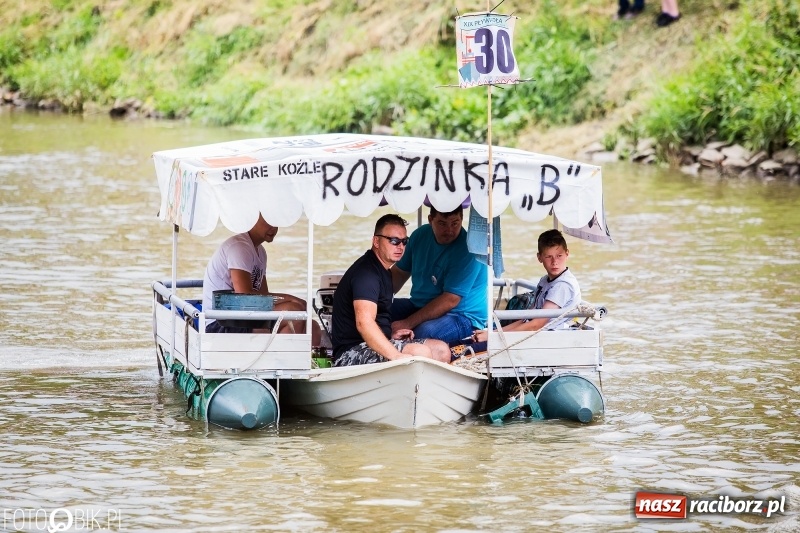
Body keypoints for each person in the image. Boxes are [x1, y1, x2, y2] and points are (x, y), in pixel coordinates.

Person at [330, 214, 451, 367]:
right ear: (376, 241)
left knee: (441, 351)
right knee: (420, 353)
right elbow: (364, 323)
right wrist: (395, 355)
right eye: (394, 241)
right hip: (350, 353)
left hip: (371, 346)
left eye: (404, 241)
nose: (400, 247)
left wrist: (390, 335)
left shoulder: (385, 271)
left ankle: (424, 390)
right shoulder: (366, 275)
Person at [202, 214, 319, 342]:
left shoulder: (261, 252)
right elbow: (245, 299)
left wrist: (296, 302)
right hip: (222, 323)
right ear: (253, 219)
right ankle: (282, 359)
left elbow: (263, 295)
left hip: (243, 317)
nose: (273, 228)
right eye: (269, 222)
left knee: (313, 327)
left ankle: (300, 360)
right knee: (294, 312)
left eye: (276, 223)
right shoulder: (239, 247)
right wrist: (292, 300)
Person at [389, 206, 488, 345]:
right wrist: (372, 298)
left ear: (462, 220)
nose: (449, 230)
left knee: (422, 333)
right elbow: (398, 273)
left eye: (455, 223)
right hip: (421, 305)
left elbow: (450, 300)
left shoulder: (469, 249)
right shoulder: (420, 235)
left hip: (462, 316)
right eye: (442, 223)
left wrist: (406, 323)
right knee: (379, 311)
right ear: (430, 220)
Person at [473, 229, 581, 342]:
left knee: (469, 349)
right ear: (539, 257)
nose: (554, 262)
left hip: (547, 339)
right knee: (470, 341)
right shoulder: (545, 280)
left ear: (567, 254)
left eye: (559, 256)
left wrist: (492, 337)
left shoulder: (563, 285)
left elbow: (537, 324)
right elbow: (527, 319)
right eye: (549, 257)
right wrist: (492, 333)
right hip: (534, 335)